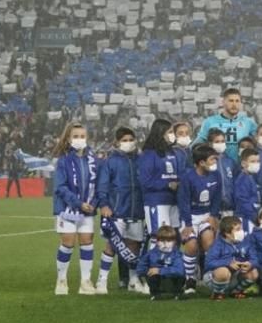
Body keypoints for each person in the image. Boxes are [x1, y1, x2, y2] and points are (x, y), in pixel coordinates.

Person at [95, 127, 145, 294]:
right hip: (117, 211)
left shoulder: (140, 159)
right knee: (112, 245)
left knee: (134, 246)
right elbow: (102, 185)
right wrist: (104, 205)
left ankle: (133, 281)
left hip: (137, 210)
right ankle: (102, 281)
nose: (128, 143)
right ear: (116, 142)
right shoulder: (110, 161)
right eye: (124, 140)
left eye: (131, 139)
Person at [52, 122, 99, 295]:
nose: (80, 139)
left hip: (88, 209)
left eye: (82, 136)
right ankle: (61, 280)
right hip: (67, 209)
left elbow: (99, 184)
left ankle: (85, 282)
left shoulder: (93, 160)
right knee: (68, 242)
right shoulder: (64, 160)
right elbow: (60, 187)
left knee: (87, 240)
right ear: (69, 138)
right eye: (76, 136)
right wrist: (78, 204)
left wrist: (94, 203)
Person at [177, 144, 221, 294]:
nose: (215, 162)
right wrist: (188, 224)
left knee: (209, 240)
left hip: (206, 215)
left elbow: (217, 198)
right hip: (190, 216)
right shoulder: (188, 177)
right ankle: (190, 280)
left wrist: (213, 216)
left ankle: (210, 276)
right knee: (191, 245)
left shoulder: (216, 176)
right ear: (201, 162)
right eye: (212, 160)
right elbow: (184, 201)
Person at [138, 118, 185, 245]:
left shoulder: (173, 153)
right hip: (157, 202)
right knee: (159, 238)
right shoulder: (148, 154)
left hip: (174, 202)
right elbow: (145, 181)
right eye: (169, 132)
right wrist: (167, 184)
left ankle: (172, 265)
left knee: (174, 239)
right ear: (160, 133)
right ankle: (155, 265)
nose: (172, 135)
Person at [195, 88, 258, 164]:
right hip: (218, 168)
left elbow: (259, 142)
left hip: (241, 167)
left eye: (237, 101)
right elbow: (196, 145)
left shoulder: (248, 122)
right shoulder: (210, 122)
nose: (234, 104)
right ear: (223, 102)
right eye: (231, 101)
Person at [205, 216, 259, 300]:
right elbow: (209, 263)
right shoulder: (218, 244)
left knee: (254, 272)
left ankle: (236, 291)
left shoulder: (246, 241)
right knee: (223, 271)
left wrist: (250, 264)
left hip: (236, 275)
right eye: (237, 229)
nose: (241, 232)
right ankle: (217, 293)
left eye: (241, 229)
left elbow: (255, 259)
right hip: (216, 277)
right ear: (227, 233)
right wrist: (228, 263)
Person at [136, 225, 185, 300]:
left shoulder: (177, 254)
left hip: (172, 281)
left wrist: (160, 271)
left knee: (181, 277)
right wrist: (148, 271)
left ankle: (178, 293)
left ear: (174, 242)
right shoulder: (151, 254)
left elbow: (180, 271)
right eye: (162, 241)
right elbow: (140, 269)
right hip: (157, 281)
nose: (165, 243)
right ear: (157, 241)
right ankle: (155, 295)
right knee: (152, 275)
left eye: (169, 241)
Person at [207, 128, 238, 219]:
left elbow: (235, 183)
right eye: (217, 141)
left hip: (230, 207)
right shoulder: (206, 162)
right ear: (210, 143)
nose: (220, 143)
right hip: (211, 208)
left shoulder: (230, 162)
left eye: (222, 141)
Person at [234, 148, 262, 232]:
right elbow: (242, 201)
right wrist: (254, 217)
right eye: (253, 161)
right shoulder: (242, 180)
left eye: (258, 161)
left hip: (253, 217)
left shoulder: (251, 177)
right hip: (245, 218)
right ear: (243, 163)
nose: (256, 164)